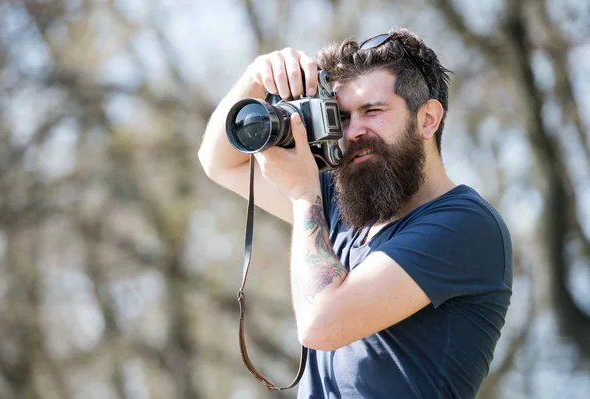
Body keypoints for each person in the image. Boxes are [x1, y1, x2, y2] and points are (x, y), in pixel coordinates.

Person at [198, 27, 513, 399]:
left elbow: (322, 324)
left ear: (428, 118)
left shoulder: (464, 225)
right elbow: (219, 161)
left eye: (373, 111)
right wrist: (256, 76)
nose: (353, 132)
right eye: (342, 117)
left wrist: (303, 195)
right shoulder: (347, 202)